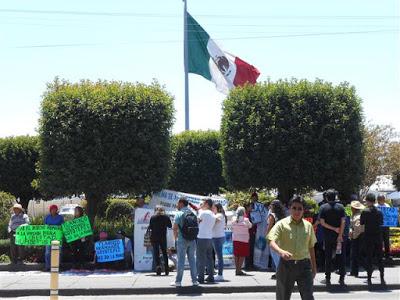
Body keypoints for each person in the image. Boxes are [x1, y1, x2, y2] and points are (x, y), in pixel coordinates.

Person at [267, 195, 317, 300]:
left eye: (300, 209)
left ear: (303, 210)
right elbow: (271, 241)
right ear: (289, 209)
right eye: (294, 208)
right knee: (283, 297)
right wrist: (281, 251)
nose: (297, 211)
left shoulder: (308, 226)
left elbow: (311, 247)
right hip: (286, 266)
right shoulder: (281, 224)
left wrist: (314, 268)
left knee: (308, 296)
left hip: (304, 266)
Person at [318, 189, 346, 285]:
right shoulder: (341, 207)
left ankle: (328, 278)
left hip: (328, 236)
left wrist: (333, 229)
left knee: (328, 257)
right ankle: (342, 278)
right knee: (340, 256)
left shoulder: (323, 207)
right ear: (336, 197)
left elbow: (322, 223)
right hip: (339, 237)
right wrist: (340, 234)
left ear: (326, 197)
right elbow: (343, 222)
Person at [171, 198, 199, 287]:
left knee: (181, 261)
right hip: (192, 239)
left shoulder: (179, 214)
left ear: (181, 203)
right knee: (192, 260)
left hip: (182, 240)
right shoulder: (193, 213)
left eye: (178, 203)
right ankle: (195, 281)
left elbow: (175, 227)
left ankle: (178, 281)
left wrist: (175, 239)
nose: (177, 205)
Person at [361, 193, 385, 286]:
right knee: (380, 257)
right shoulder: (379, 212)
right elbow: (381, 222)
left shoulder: (365, 211)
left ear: (367, 201)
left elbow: (362, 222)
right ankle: (382, 276)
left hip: (368, 236)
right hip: (378, 236)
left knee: (369, 257)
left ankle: (369, 277)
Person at [196, 199, 217, 283]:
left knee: (201, 258)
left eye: (204, 203)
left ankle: (200, 277)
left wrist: (200, 209)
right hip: (209, 237)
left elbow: (197, 221)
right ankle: (211, 276)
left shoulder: (203, 213)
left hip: (202, 237)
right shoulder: (213, 214)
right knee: (210, 259)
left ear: (207, 204)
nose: (203, 204)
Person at [148, 205, 172, 275]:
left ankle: (158, 267)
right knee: (164, 253)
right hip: (163, 237)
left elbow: (151, 227)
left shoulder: (153, 217)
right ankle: (166, 269)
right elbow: (170, 226)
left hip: (154, 236)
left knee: (156, 252)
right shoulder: (166, 217)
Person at [266, 200, 286, 279]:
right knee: (279, 255)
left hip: (273, 237)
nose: (270, 206)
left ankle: (279, 272)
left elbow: (269, 226)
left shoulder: (272, 215)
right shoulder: (282, 215)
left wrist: (267, 236)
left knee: (275, 255)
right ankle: (279, 271)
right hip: (281, 236)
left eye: (271, 205)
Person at [231, 206, 252, 276]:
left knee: (236, 255)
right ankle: (239, 270)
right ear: (244, 212)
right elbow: (250, 226)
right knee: (242, 255)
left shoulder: (233, 219)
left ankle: (237, 269)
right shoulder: (246, 220)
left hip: (235, 239)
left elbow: (231, 228)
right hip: (244, 240)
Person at [44, 204, 64, 271]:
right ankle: (48, 266)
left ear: (57, 210)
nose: (53, 210)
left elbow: (63, 226)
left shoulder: (60, 217)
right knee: (48, 252)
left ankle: (58, 265)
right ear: (50, 210)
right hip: (49, 237)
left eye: (55, 209)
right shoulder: (47, 217)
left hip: (58, 237)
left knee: (58, 252)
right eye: (52, 209)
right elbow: (45, 227)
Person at [349, 200, 365, 277]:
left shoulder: (358, 216)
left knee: (356, 255)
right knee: (354, 255)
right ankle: (353, 271)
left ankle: (368, 268)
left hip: (358, 237)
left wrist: (353, 235)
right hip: (356, 236)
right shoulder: (354, 215)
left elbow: (359, 228)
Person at [212, 203, 227, 281]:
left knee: (219, 257)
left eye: (213, 207)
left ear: (217, 208)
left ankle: (220, 274)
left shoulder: (219, 215)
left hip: (217, 238)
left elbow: (213, 222)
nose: (212, 209)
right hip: (218, 237)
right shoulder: (219, 215)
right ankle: (219, 273)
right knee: (218, 256)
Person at [375, 194, 392, 261]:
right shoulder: (375, 206)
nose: (383, 200)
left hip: (386, 226)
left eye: (383, 199)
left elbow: (390, 215)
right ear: (378, 199)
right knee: (379, 241)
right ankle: (379, 255)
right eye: (381, 199)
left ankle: (387, 255)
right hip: (378, 226)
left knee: (386, 240)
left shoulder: (387, 205)